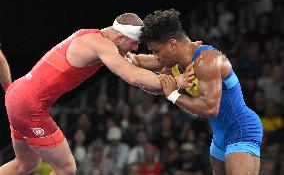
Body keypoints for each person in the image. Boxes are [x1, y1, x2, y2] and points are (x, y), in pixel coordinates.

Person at [0, 13, 193, 175]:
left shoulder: (97, 38)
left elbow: (138, 62)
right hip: (28, 104)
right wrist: (177, 81)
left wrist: (175, 55)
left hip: (16, 94)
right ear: (120, 38)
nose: (135, 48)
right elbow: (132, 75)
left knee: (26, 164)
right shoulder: (101, 45)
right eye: (134, 43)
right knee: (66, 168)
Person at [130, 9, 263, 175]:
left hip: (241, 128)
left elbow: (210, 109)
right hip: (220, 136)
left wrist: (173, 95)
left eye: (156, 51)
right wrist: (113, 54)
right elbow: (143, 68)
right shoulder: (175, 64)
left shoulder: (207, 61)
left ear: (172, 44)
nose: (155, 57)